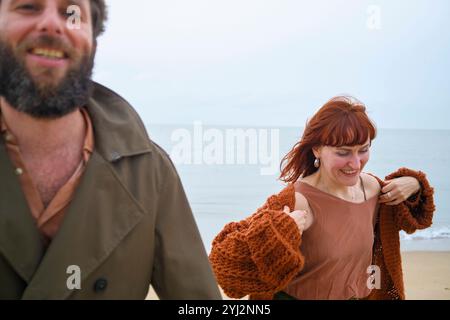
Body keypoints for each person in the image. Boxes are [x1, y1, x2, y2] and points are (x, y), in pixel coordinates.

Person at [0, 0, 221, 299]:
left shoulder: (149, 172)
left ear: (93, 36)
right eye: (28, 6)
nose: (51, 24)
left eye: (72, 13)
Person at [209, 96, 435, 300]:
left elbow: (416, 218)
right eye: (343, 152)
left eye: (363, 149)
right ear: (317, 149)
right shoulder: (297, 200)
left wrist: (414, 183)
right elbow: (224, 264)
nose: (355, 164)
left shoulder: (374, 188)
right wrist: (280, 230)